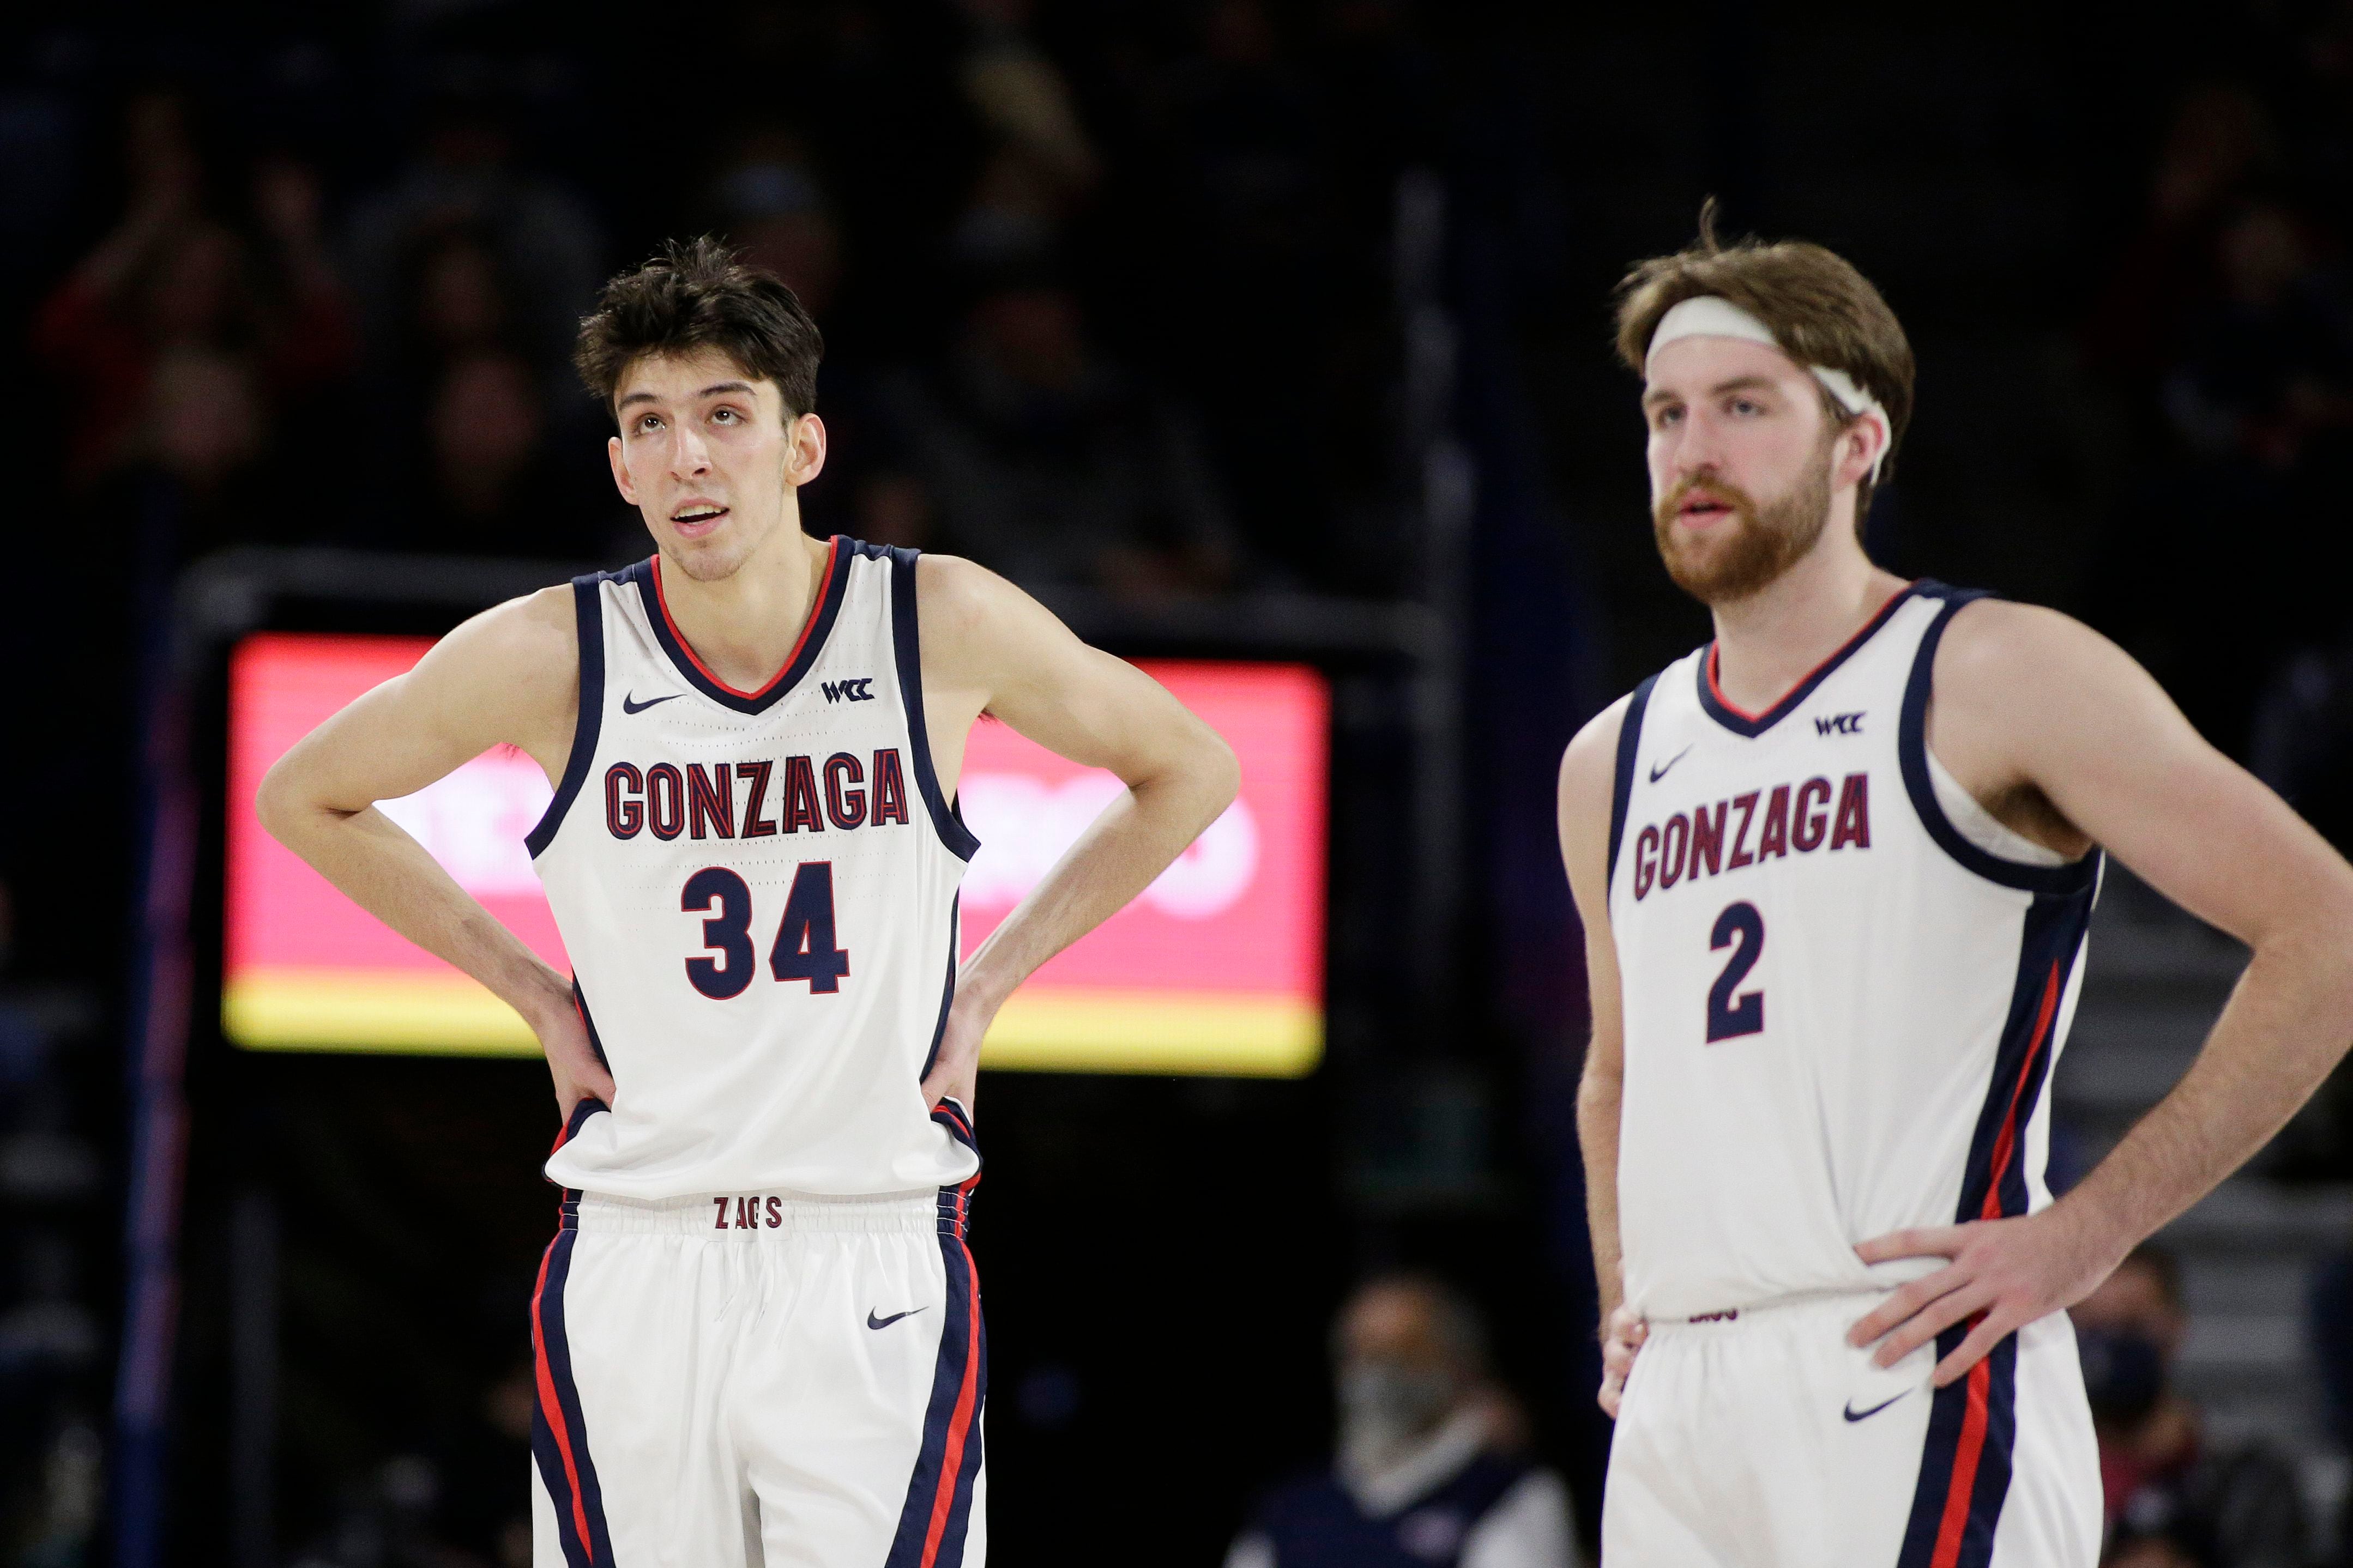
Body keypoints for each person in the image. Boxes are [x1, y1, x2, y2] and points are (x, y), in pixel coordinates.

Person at [257, 239, 1239, 1567]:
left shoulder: (933, 621)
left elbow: (1191, 766)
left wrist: (988, 984)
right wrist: (535, 994)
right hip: (638, 1248)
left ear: (801, 446)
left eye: (724, 415)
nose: (688, 458)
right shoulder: (553, 652)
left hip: (864, 1241)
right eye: (649, 425)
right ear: (619, 466)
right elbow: (302, 795)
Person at [1553, 206, 2353, 1566]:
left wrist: (2086, 1236)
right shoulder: (1610, 759)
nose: (1692, 449)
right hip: (1680, 1403)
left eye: (1743, 406)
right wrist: (1625, 1283)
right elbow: (1616, 1071)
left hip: (1905, 1365)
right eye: (1664, 414)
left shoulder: (1994, 673)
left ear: (1857, 440)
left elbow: (2325, 928)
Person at [1225, 1275, 1581, 1568]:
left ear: (1459, 1364)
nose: (1377, 1373)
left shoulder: (1508, 1492)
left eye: (1404, 1351)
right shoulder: (1290, 1511)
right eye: (1362, 1352)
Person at [2073, 1246, 2306, 1568]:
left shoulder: (2247, 1482)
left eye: (2131, 1324)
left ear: (2175, 1326)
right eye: (2092, 1327)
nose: (2110, 1345)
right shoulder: (2041, 1478)